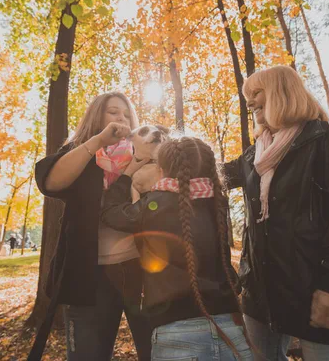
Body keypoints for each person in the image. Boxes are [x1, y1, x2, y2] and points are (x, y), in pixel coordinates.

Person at [224, 65, 329, 361]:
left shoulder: (325, 142)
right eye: (246, 96)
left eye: (256, 92)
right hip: (260, 297)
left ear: (282, 91)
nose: (249, 101)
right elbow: (205, 174)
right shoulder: (250, 157)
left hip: (318, 292)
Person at [101, 136, 254, 361]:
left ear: (161, 169)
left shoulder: (151, 205)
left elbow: (110, 213)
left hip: (175, 331)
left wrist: (125, 176)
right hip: (231, 327)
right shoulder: (217, 203)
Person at [28, 92, 152, 361]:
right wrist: (97, 142)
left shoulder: (143, 154)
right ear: (98, 116)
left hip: (142, 272)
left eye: (127, 113)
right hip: (89, 276)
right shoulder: (80, 153)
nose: (122, 117)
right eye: (113, 112)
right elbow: (50, 182)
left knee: (157, 352)